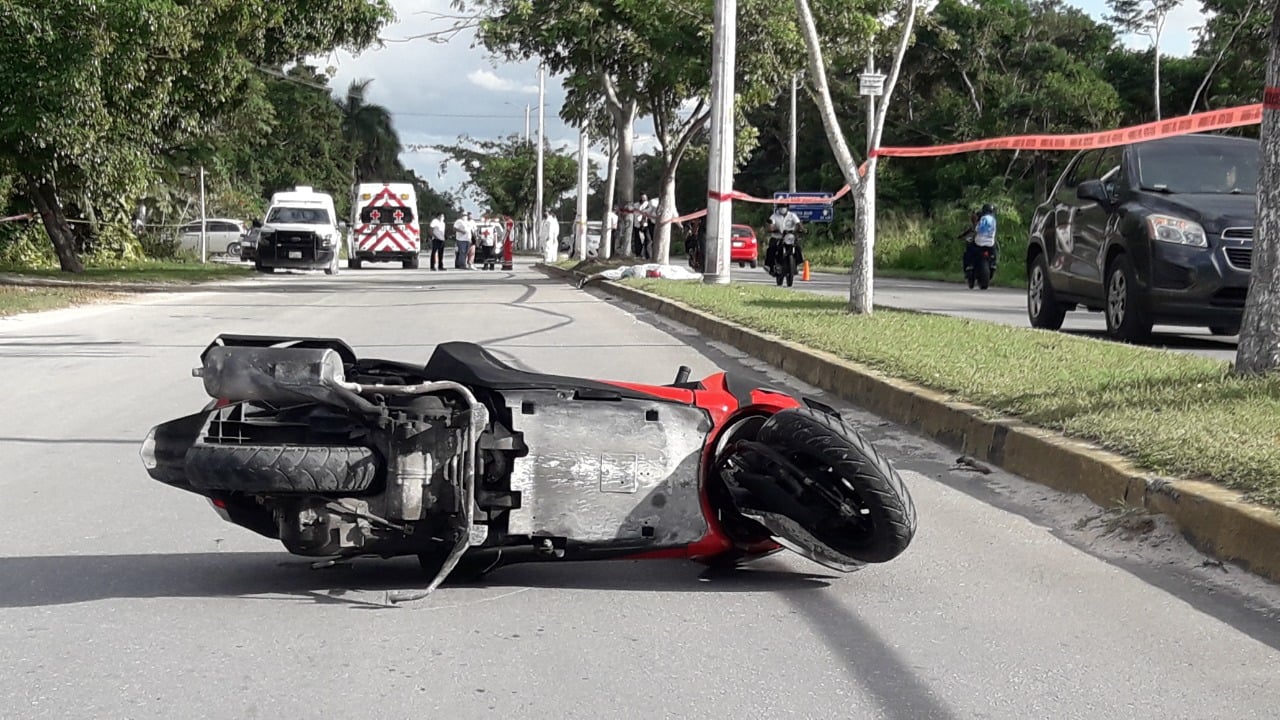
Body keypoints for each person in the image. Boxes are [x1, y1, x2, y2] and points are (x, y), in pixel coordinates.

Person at [765, 202, 803, 274]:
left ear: (787, 208)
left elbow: (798, 224)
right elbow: (770, 225)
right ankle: (769, 266)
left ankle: (798, 263)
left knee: (798, 247)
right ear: (778, 208)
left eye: (784, 207)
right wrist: (772, 229)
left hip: (790, 237)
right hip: (777, 237)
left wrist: (801, 229)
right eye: (781, 207)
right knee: (771, 249)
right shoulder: (774, 216)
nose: (782, 209)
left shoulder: (792, 215)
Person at [963, 203, 998, 276]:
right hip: (990, 243)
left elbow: (977, 229)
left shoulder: (983, 219)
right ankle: (993, 263)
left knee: (969, 248)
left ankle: (969, 265)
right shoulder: (993, 220)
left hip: (979, 243)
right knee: (995, 249)